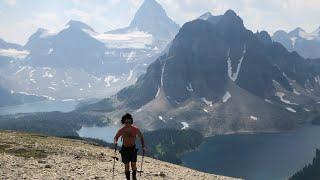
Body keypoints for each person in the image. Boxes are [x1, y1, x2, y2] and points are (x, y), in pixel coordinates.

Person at [114, 113, 146, 180]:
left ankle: (134, 178)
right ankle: (128, 178)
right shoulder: (121, 130)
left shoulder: (135, 129)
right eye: (126, 122)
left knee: (133, 165)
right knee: (126, 165)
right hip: (125, 149)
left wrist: (143, 146)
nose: (128, 124)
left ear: (131, 122)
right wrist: (116, 142)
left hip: (132, 149)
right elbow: (116, 137)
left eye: (129, 122)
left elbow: (141, 137)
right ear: (124, 122)